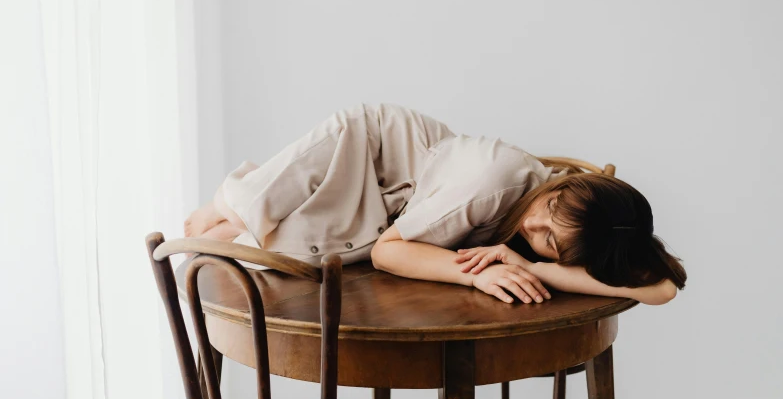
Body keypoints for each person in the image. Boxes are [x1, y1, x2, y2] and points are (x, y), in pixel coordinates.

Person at [185, 102, 686, 306]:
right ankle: (224, 206)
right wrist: (475, 273)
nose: (534, 223)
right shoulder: (496, 185)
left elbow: (662, 290)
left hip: (403, 195)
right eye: (551, 205)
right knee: (248, 238)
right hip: (367, 155)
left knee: (274, 247)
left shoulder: (595, 223)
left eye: (550, 242)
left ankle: (235, 211)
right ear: (568, 184)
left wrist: (529, 264)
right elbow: (388, 252)